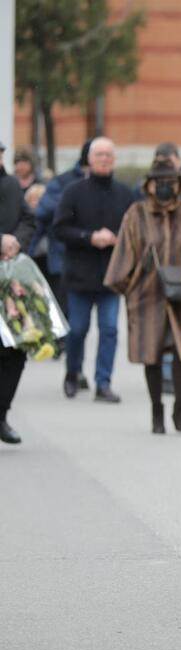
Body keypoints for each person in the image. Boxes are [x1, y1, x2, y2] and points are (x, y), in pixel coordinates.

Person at [103, 157, 181, 433]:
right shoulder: (136, 214)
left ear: (179, 184)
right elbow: (124, 252)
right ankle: (156, 411)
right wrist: (128, 287)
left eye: (169, 183)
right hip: (146, 295)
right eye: (159, 183)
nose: (164, 188)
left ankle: (180, 409)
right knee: (151, 355)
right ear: (148, 185)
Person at [53, 137, 132, 403]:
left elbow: (135, 231)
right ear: (89, 159)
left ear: (114, 160)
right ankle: (73, 373)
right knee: (77, 330)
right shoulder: (73, 191)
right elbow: (60, 229)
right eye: (99, 155)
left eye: (109, 155)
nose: (104, 159)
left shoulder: (124, 193)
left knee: (110, 330)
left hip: (112, 276)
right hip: (79, 274)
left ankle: (103, 382)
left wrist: (121, 238)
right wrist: (89, 237)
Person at [34, 139, 92, 326]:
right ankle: (62, 343)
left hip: (95, 260)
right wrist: (70, 200)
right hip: (63, 257)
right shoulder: (63, 182)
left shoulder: (109, 185)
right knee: (64, 310)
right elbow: (42, 212)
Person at [0, 156, 38, 445]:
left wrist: (15, 240)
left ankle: (2, 413)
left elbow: (28, 219)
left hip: (11, 279)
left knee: (16, 348)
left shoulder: (12, 184)